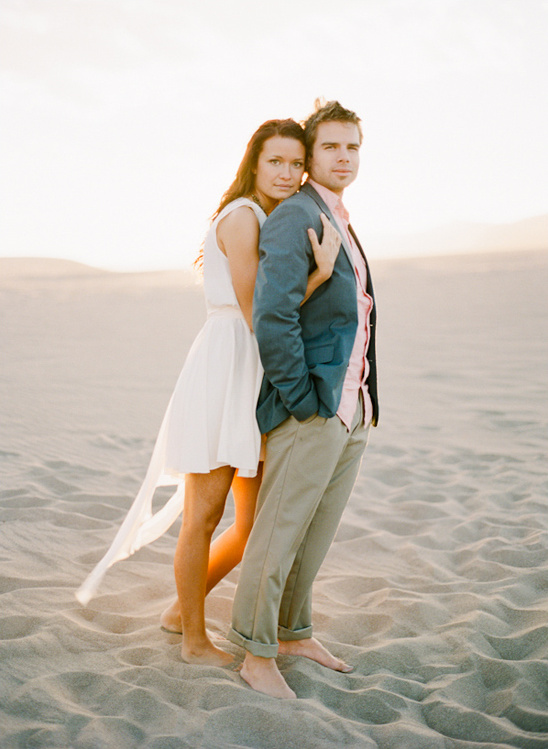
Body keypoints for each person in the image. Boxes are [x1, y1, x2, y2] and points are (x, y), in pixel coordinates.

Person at [76, 118, 341, 667]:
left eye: (296, 163)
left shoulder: (270, 216)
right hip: (228, 365)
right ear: (254, 163)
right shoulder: (244, 217)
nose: (288, 173)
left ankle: (180, 611)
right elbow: (257, 311)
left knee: (249, 526)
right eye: (276, 161)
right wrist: (318, 277)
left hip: (255, 368)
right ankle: (195, 642)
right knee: (204, 513)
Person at [227, 100, 379, 698]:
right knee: (278, 532)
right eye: (333, 147)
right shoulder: (296, 216)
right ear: (312, 157)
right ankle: (255, 652)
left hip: (352, 404)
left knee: (315, 533)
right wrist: (300, 398)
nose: (345, 157)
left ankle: (293, 632)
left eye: (354, 147)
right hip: (313, 403)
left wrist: (359, 401)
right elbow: (271, 315)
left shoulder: (339, 214)